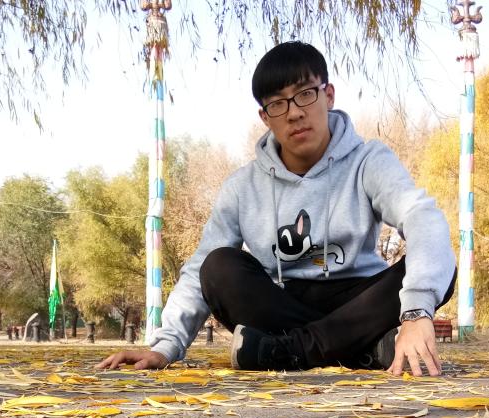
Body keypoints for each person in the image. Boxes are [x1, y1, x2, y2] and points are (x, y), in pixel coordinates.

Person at [98, 41, 456, 377]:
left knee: (440, 261)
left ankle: (285, 352)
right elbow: (199, 268)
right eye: (278, 104)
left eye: (305, 94)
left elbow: (420, 216)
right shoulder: (242, 186)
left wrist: (415, 312)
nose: (295, 113)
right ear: (265, 117)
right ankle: (359, 350)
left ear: (328, 95)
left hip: (359, 299)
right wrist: (165, 346)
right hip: (282, 302)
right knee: (218, 267)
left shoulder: (369, 160)